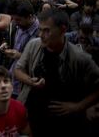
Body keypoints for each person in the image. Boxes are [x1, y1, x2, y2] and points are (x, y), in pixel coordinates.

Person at [14, 8, 99, 136]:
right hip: (34, 116)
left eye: (46, 30)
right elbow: (18, 70)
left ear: (63, 30)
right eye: (40, 30)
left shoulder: (79, 58)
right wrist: (30, 80)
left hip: (65, 124)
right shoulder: (34, 45)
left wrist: (78, 106)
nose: (41, 35)